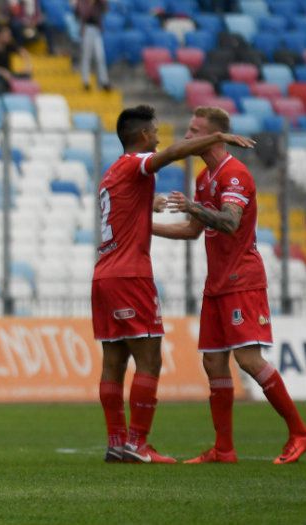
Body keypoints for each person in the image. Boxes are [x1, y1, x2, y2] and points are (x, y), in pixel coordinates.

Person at [92, 105, 255, 464]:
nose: (160, 138)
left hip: (103, 275)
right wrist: (217, 137)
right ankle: (138, 445)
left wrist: (146, 206)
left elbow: (122, 207)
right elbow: (170, 155)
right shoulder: (135, 162)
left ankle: (117, 443)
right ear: (142, 137)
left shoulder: (110, 175)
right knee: (149, 361)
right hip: (131, 275)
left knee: (114, 362)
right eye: (154, 132)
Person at [152, 106, 306, 464]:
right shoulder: (205, 178)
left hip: (242, 280)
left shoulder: (234, 175)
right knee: (213, 363)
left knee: (249, 359)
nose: (187, 137)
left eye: (194, 131)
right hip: (217, 283)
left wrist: (193, 208)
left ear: (212, 135)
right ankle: (224, 449)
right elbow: (194, 231)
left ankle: (298, 432)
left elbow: (230, 222)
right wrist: (145, 229)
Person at [0, 24, 33, 92]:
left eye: (9, 35)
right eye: (6, 35)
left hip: (8, 74)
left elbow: (24, 52)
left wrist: (27, 65)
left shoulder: (9, 46)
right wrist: (2, 72)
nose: (9, 37)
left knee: (26, 75)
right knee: (2, 78)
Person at [75, 0, 110, 91]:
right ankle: (85, 81)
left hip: (97, 30)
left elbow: (106, 9)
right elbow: (84, 14)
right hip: (86, 29)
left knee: (100, 56)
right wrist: (91, 3)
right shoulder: (82, 2)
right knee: (86, 56)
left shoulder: (99, 3)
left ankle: (104, 81)